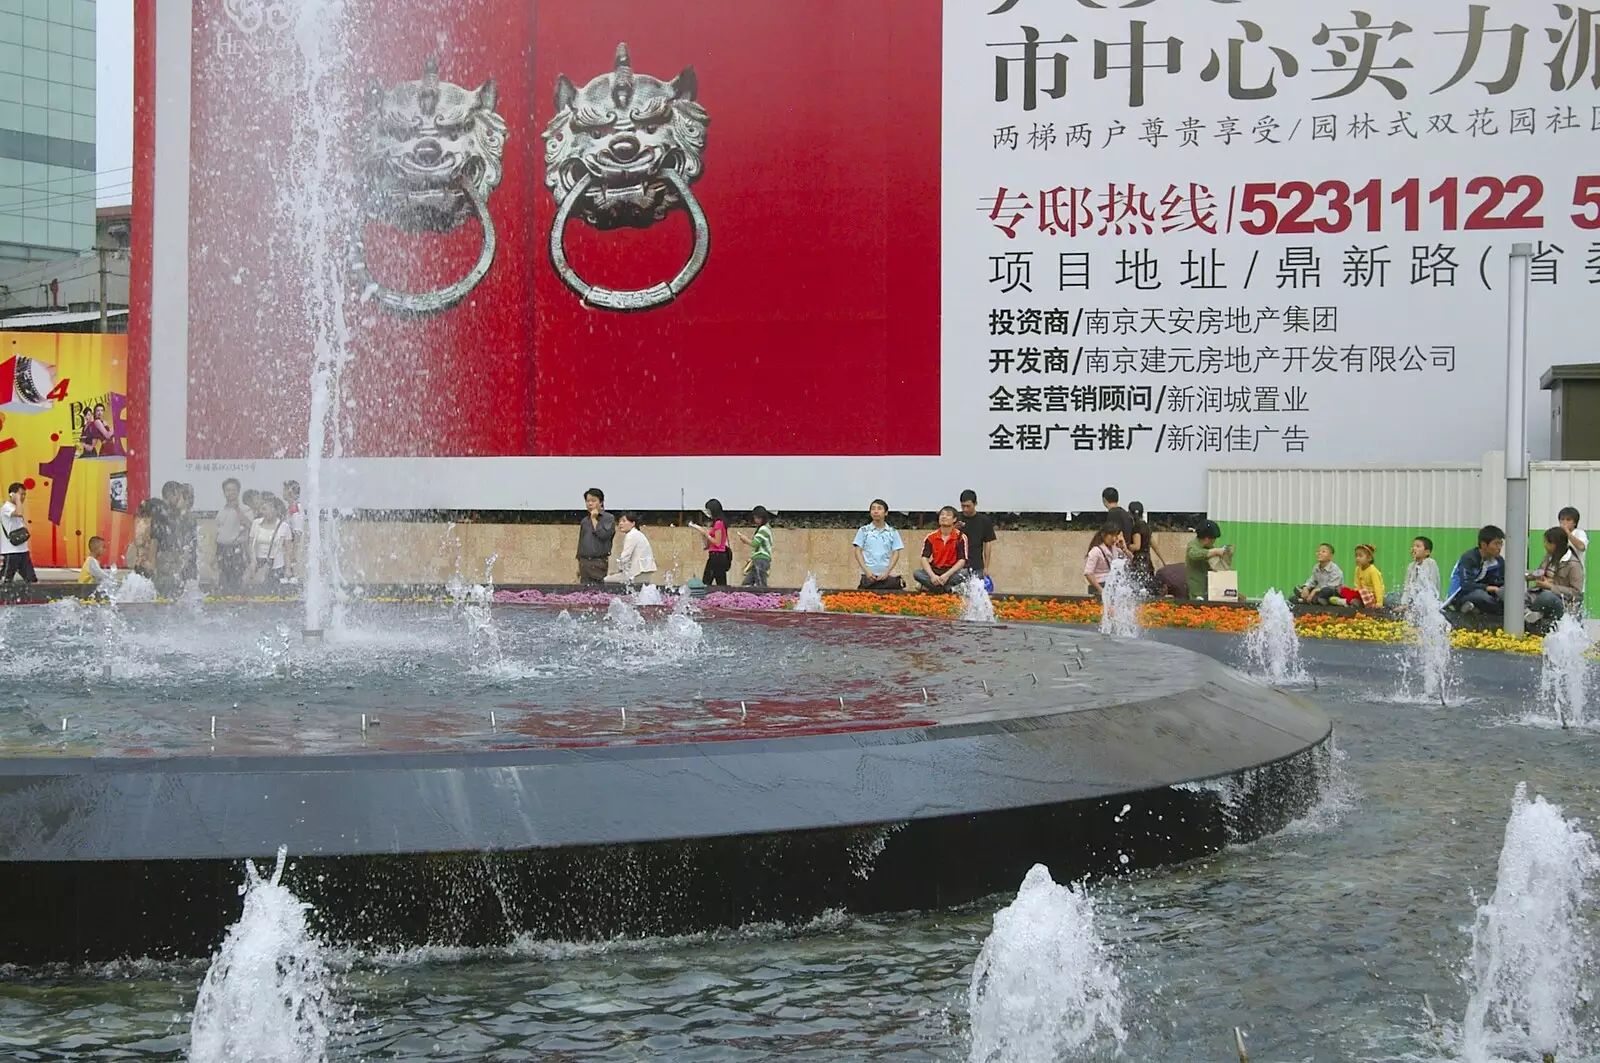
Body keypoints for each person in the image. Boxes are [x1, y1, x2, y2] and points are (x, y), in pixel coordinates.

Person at [1526, 526, 1585, 624]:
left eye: (1546, 542)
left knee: (1546, 597)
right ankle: (1532, 614)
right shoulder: (1550, 556)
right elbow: (1539, 571)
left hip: (1562, 602)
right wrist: (1524, 575)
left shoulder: (1573, 564)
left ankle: (1535, 613)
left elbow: (1576, 594)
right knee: (1514, 594)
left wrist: (1550, 586)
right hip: (1539, 593)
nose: (1544, 545)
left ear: (1554, 544)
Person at [1447, 525, 1507, 615]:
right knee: (1481, 595)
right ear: (1483, 545)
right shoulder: (1469, 558)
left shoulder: (1499, 560)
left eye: (1501, 543)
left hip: (1487, 593)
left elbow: (1502, 581)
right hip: (1461, 594)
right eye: (1496, 543)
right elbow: (1466, 585)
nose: (1499, 547)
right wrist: (1490, 588)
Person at [914, 505, 970, 593]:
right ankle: (948, 589)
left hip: (951, 572)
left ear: (954, 519)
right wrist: (932, 576)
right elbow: (924, 558)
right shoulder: (931, 537)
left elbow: (962, 560)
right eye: (942, 515)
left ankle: (932, 588)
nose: (944, 517)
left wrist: (946, 575)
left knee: (965, 573)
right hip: (936, 570)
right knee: (917, 573)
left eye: (948, 515)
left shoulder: (960, 537)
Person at [853, 499, 905, 590]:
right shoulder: (863, 530)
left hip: (886, 575)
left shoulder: (892, 532)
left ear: (886, 513)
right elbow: (858, 551)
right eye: (873, 509)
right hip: (868, 576)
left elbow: (896, 553)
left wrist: (887, 571)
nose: (876, 511)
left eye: (879, 508)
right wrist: (867, 571)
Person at [215, 477, 254, 594]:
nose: (231, 493)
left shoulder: (246, 509)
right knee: (222, 582)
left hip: (237, 549)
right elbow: (216, 532)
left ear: (238, 491)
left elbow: (249, 525)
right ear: (224, 492)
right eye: (228, 490)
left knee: (237, 582)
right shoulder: (221, 510)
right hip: (222, 549)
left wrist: (237, 508)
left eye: (234, 490)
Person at [248, 493, 292, 590]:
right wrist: (252, 562)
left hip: (277, 565)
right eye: (262, 509)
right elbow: (251, 545)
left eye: (265, 509)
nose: (263, 512)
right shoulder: (256, 523)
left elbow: (288, 550)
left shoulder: (284, 526)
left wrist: (288, 568)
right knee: (259, 593)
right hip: (259, 565)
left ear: (275, 510)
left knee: (274, 595)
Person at [688, 498, 733, 586]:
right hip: (718, 555)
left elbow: (717, 542)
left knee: (707, 582)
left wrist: (706, 534)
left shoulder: (718, 523)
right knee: (721, 583)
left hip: (717, 556)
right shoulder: (719, 523)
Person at [576, 488, 615, 585]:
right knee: (584, 591)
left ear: (601, 502)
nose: (590, 503)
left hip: (598, 561)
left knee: (597, 590)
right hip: (584, 562)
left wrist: (594, 519)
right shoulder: (585, 520)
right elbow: (581, 543)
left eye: (593, 500)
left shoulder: (608, 518)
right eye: (587, 501)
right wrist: (578, 564)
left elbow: (603, 535)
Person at [1, 482, 36, 589]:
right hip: (11, 552)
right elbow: (19, 513)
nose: (23, 497)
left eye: (25, 495)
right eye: (21, 494)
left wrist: (18, 500)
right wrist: (17, 499)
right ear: (12, 494)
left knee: (32, 580)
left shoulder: (16, 506)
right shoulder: (6, 507)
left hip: (23, 551)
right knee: (6, 581)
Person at [957, 490, 997, 582]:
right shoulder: (957, 519)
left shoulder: (984, 520)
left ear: (975, 504)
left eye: (968, 506)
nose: (965, 509)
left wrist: (986, 567)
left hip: (977, 564)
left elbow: (988, 543)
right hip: (958, 564)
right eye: (963, 506)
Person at [605, 513, 657, 585]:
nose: (620, 524)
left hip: (638, 573)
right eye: (619, 521)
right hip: (644, 572)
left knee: (606, 580)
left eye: (624, 521)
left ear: (633, 523)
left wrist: (618, 570)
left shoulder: (631, 536)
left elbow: (625, 557)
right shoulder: (637, 534)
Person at [1185, 521, 1230, 601]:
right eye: (1214, 539)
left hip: (1209, 590)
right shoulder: (1193, 545)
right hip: (1197, 592)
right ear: (1207, 539)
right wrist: (1215, 551)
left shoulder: (1208, 547)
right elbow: (1194, 554)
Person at [1083, 522, 1129, 598]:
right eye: (1111, 535)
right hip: (1100, 585)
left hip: (1112, 584)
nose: (1114, 539)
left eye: (1115, 535)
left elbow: (1130, 560)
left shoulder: (1115, 548)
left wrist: (1124, 549)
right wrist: (1100, 590)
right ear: (1103, 535)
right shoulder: (1096, 551)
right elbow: (1088, 573)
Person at [1127, 501, 1164, 589]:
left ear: (1129, 513)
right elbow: (1155, 546)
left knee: (1137, 588)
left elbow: (1137, 546)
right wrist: (1163, 561)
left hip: (1138, 562)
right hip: (1147, 562)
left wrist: (1126, 546)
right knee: (1148, 587)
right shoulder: (1146, 526)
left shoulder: (1136, 527)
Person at [737, 506, 775, 588]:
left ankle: (764, 599)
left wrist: (745, 539)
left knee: (761, 585)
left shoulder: (764, 529)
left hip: (761, 560)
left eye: (758, 518)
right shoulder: (765, 528)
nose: (756, 521)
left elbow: (755, 543)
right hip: (758, 559)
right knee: (746, 584)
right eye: (755, 518)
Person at [1400, 536, 1441, 607]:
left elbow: (1432, 586)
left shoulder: (1430, 563)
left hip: (1428, 604)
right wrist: (1404, 604)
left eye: (1418, 546)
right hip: (1414, 602)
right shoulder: (1411, 566)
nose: (1414, 548)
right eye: (1413, 546)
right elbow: (1407, 587)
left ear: (1427, 552)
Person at [1344, 544, 1385, 609]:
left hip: (1372, 596)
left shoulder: (1372, 570)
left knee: (1359, 593)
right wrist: (1357, 593)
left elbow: (1378, 587)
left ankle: (1346, 602)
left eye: (1360, 556)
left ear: (1369, 558)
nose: (1357, 558)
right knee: (1344, 590)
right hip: (1362, 594)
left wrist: (1379, 602)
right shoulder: (1357, 569)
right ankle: (1350, 601)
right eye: (1356, 556)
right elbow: (1358, 585)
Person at [282, 480, 304, 583]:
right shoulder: (289, 508)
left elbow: (297, 530)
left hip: (295, 541)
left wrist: (295, 548)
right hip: (289, 542)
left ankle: (296, 577)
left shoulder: (296, 509)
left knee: (294, 560)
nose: (285, 493)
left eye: (288, 491)